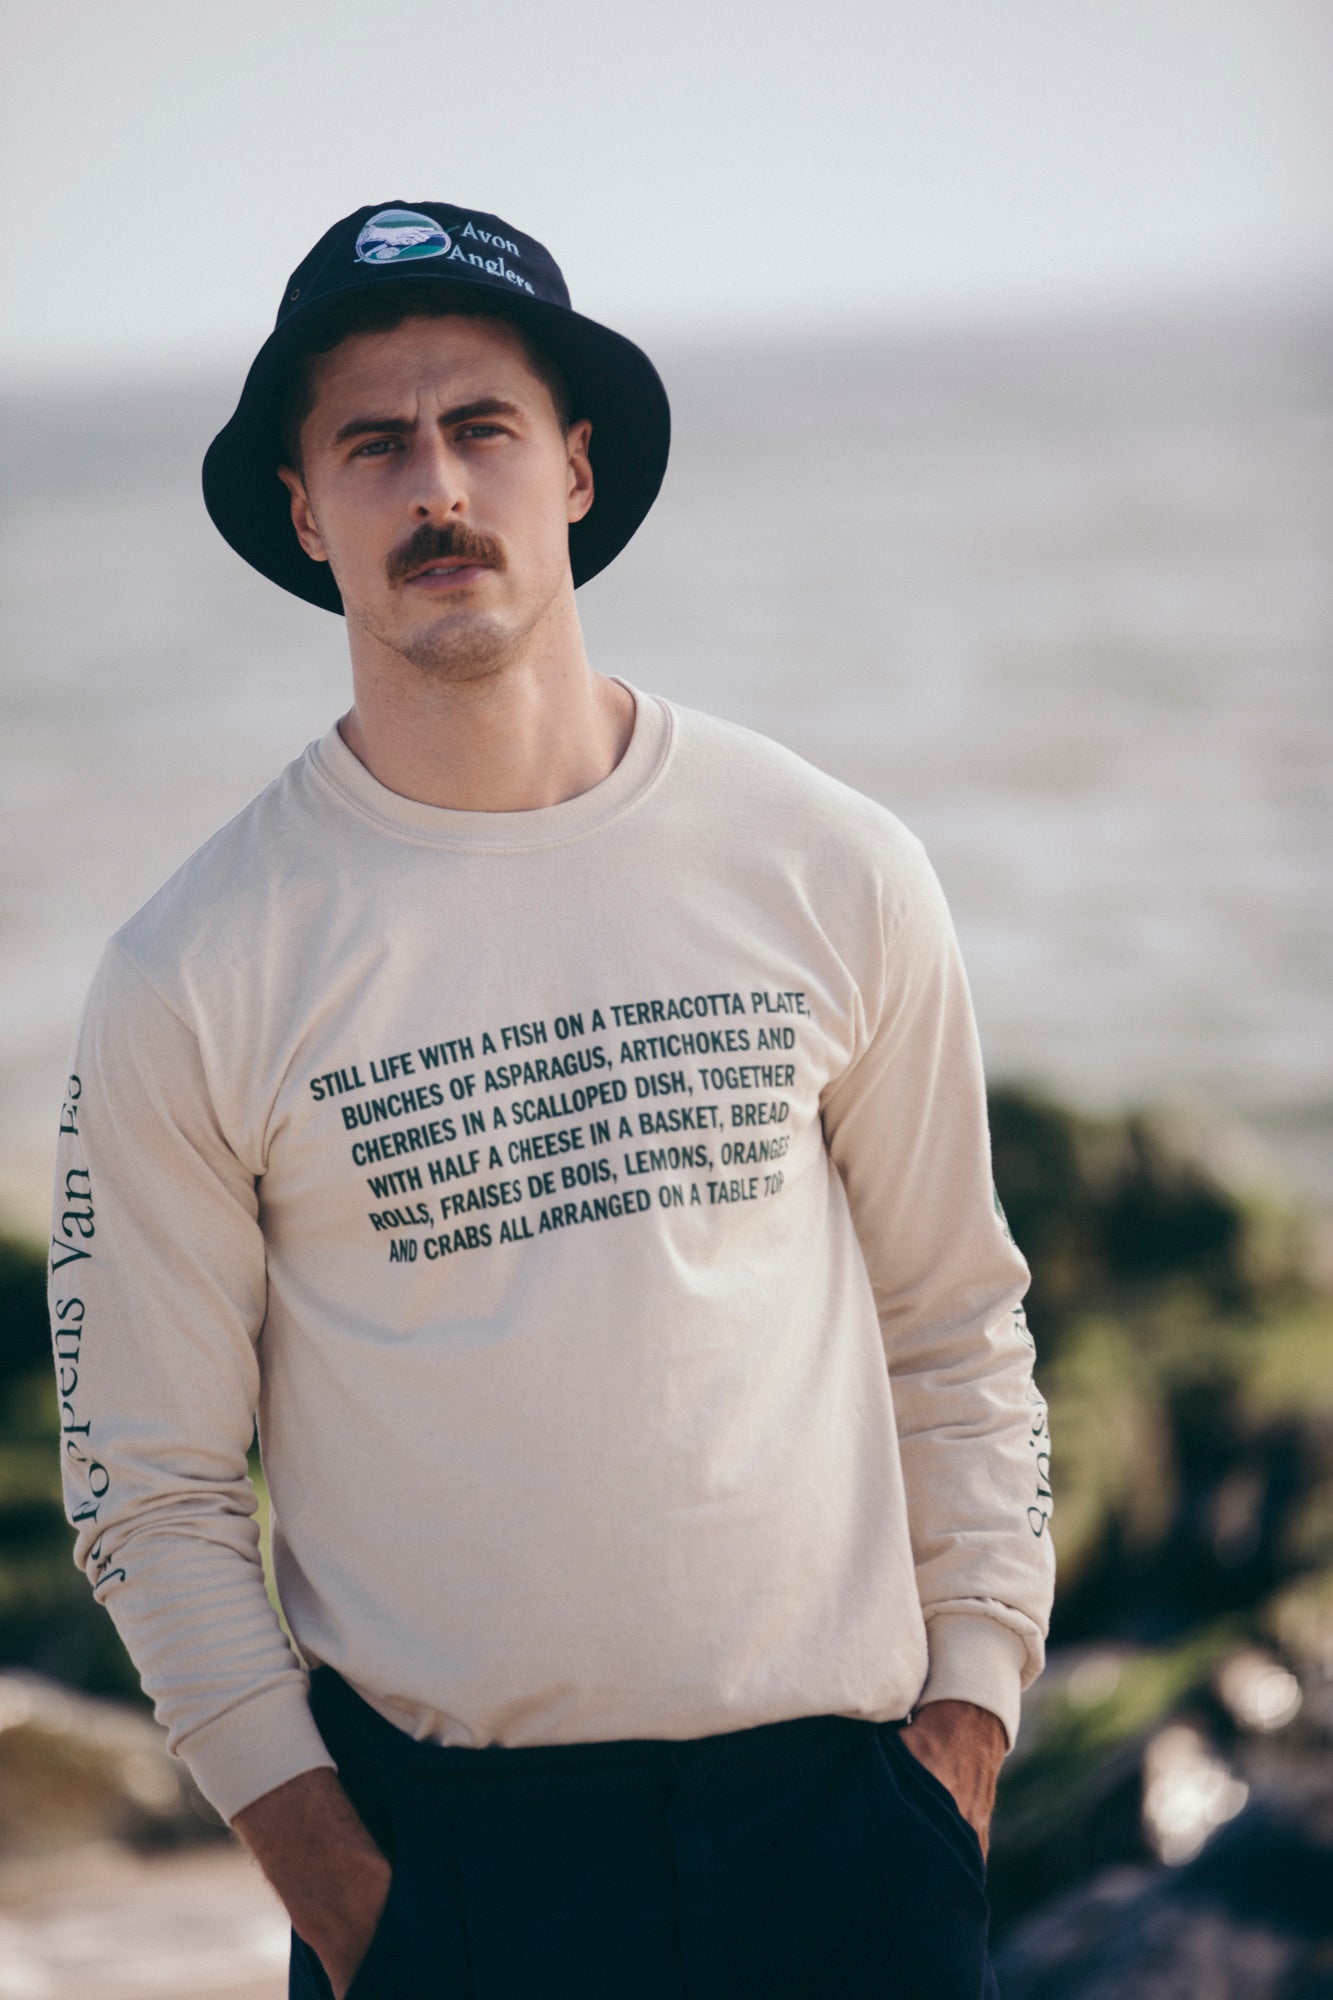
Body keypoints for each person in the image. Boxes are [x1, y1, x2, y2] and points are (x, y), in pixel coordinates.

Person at [47, 200, 1056, 1999]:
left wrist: (965, 1726)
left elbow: (954, 1324)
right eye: (373, 444)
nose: (435, 484)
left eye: (480, 427)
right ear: (305, 510)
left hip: (844, 1838)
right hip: (455, 1874)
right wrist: (351, 1900)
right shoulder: (196, 968)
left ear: (572, 469)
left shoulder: (824, 863)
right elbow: (153, 1486)